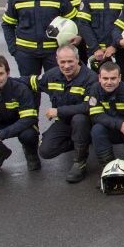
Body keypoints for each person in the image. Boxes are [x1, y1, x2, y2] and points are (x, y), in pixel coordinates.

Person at [34, 45, 97, 183]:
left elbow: (88, 107)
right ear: (57, 60)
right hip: (63, 122)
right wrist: (5, 82)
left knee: (79, 119)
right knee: (46, 151)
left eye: (70, 61)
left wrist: (58, 111)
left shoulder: (90, 78)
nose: (66, 66)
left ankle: (80, 162)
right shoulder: (52, 75)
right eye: (62, 62)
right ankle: (82, 141)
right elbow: (31, 82)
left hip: (86, 122)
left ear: (78, 59)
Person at [2, 0, 77, 76]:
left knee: (57, 89)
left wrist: (75, 39)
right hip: (26, 54)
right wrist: (14, 50)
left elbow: (74, 19)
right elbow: (7, 25)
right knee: (29, 91)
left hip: (53, 53)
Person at [87, 61, 124, 173]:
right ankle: (108, 168)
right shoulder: (95, 89)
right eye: (105, 78)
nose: (109, 82)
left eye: (113, 78)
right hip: (113, 130)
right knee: (97, 129)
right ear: (99, 78)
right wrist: (119, 124)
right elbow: (96, 115)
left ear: (119, 78)